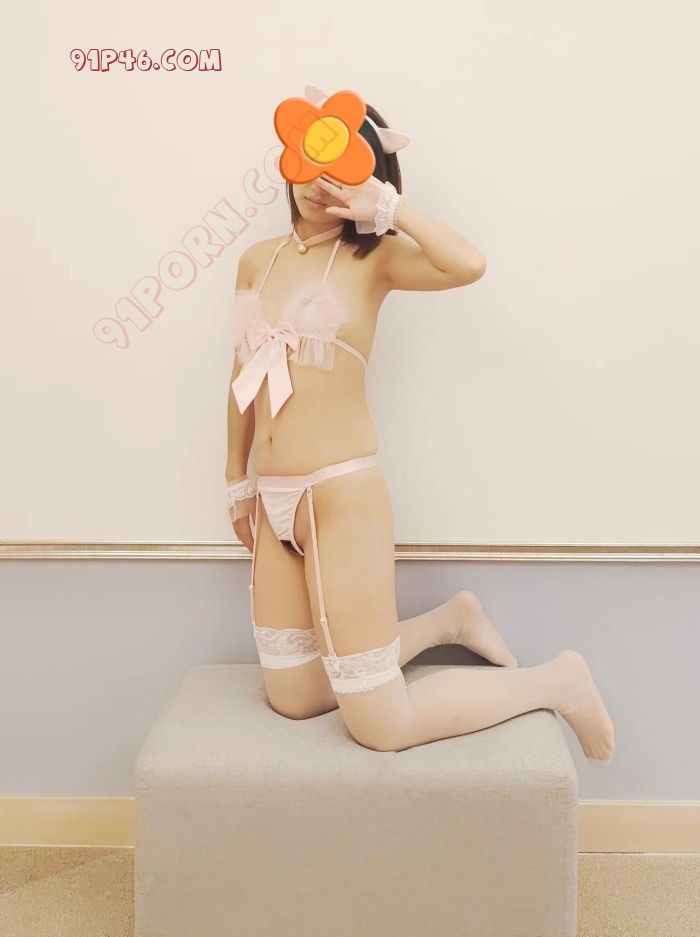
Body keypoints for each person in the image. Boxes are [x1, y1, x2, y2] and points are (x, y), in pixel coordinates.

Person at [225, 97, 615, 762]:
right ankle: (446, 621)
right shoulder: (255, 261)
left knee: (381, 724)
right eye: (312, 167)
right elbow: (240, 374)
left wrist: (388, 208)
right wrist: (236, 481)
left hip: (340, 495)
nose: (320, 186)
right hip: (272, 498)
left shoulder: (374, 259)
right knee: (292, 696)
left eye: (341, 174)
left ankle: (558, 680)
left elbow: (468, 264)